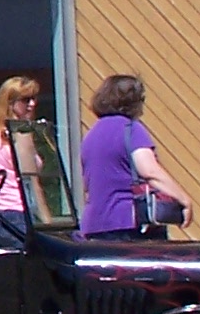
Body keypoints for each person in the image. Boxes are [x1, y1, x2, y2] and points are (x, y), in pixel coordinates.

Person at [81, 74, 193, 240]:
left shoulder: (91, 135)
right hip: (127, 223)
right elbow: (149, 171)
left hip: (93, 226)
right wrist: (184, 199)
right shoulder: (131, 129)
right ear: (132, 102)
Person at [0, 76, 43, 235]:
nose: (32, 104)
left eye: (34, 98)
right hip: (19, 213)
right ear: (10, 104)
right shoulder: (19, 135)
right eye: (26, 100)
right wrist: (46, 221)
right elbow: (32, 183)